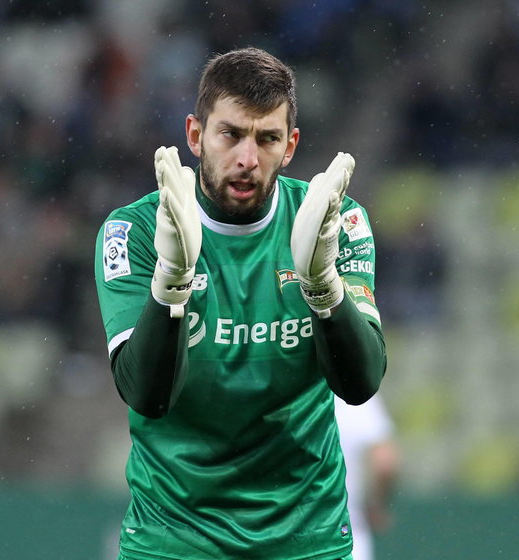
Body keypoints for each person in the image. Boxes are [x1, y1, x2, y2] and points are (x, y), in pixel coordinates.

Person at [94, 47, 387, 560]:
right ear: (195, 135)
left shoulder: (332, 222)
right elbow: (147, 395)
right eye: (230, 134)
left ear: (290, 145)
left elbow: (360, 385)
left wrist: (322, 285)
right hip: (174, 539)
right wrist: (171, 283)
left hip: (306, 540)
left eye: (267, 138)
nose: (247, 159)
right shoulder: (134, 231)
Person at [334, 394, 400, 560]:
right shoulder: (351, 387)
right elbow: (385, 462)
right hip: (346, 528)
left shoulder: (288, 388)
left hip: (287, 528)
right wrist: (376, 506)